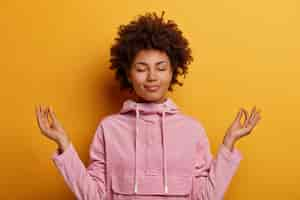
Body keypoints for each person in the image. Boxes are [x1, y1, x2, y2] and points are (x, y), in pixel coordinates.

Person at [35, 11, 262, 200]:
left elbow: (206, 197)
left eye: (161, 68)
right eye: (142, 68)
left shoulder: (192, 130)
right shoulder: (109, 129)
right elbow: (93, 196)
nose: (152, 77)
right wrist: (64, 145)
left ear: (174, 71)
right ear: (128, 73)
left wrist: (228, 144)